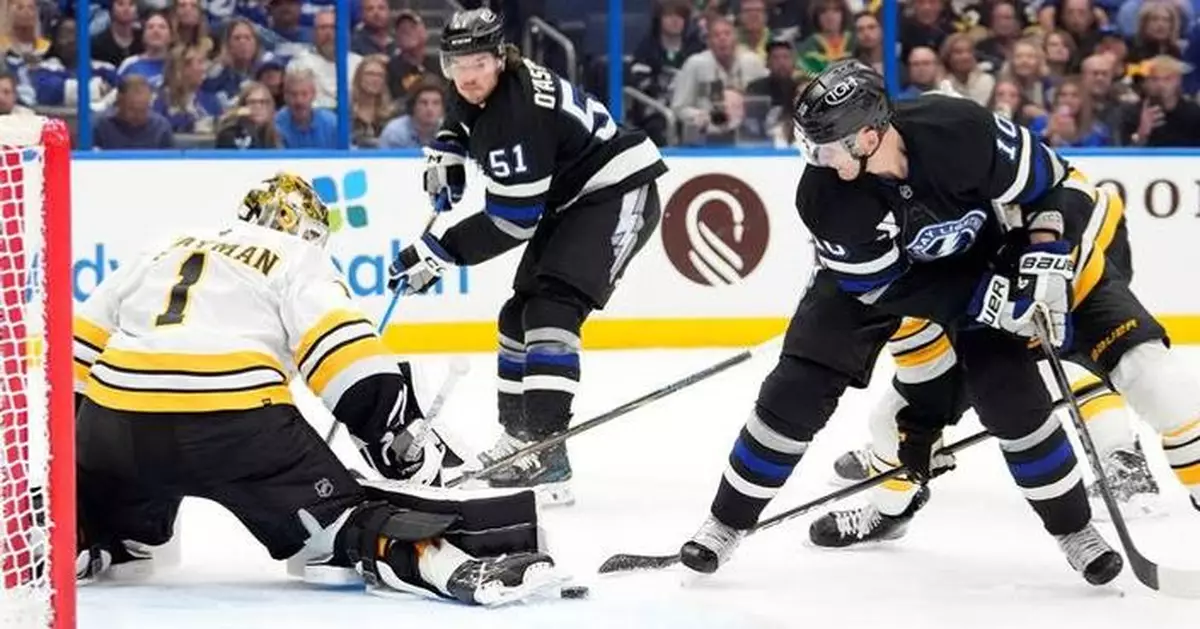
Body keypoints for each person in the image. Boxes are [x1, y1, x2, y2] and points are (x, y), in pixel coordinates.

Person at [680, 59, 1200, 586]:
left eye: (830, 147)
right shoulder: (826, 196)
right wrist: (976, 319)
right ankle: (727, 523)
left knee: (1019, 396)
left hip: (992, 265)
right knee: (798, 387)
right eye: (813, 146)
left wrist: (1043, 252)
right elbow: (886, 292)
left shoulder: (959, 131)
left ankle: (1074, 530)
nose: (820, 160)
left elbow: (1054, 185)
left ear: (869, 134)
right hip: (881, 286)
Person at [73, 173, 564, 606]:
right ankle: (439, 565)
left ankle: (82, 536)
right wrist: (395, 440)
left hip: (113, 421)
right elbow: (351, 365)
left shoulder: (168, 244)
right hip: (232, 425)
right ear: (307, 231)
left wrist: (83, 452)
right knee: (340, 523)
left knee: (106, 514)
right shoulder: (296, 256)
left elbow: (75, 349)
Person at [386, 9, 667, 506]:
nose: (466, 76)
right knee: (516, 316)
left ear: (499, 57)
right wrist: (449, 150)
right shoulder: (485, 85)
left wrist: (440, 251)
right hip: (575, 197)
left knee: (552, 309)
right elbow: (461, 113)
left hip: (618, 192)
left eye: (477, 62)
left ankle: (547, 449)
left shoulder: (515, 115)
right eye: (456, 63)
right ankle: (520, 440)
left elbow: (515, 221)